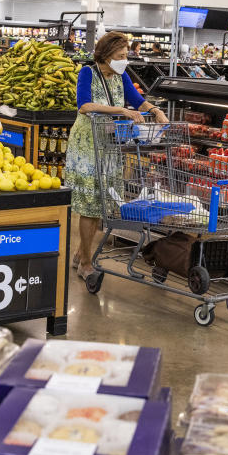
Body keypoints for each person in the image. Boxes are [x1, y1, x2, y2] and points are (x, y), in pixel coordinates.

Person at [65, 31, 169, 280]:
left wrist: (155, 111)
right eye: (121, 56)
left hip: (110, 145)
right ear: (107, 54)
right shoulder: (88, 73)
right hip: (88, 146)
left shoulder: (121, 76)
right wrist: (121, 110)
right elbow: (84, 105)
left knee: (103, 202)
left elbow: (137, 99)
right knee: (90, 206)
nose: (125, 60)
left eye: (126, 56)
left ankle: (82, 252)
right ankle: (86, 263)